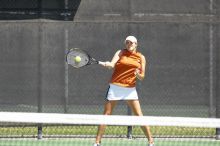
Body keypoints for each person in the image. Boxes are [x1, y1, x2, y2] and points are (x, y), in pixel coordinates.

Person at [93, 36, 154, 146]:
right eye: (127, 43)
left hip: (130, 90)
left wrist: (137, 74)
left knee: (139, 116)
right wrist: (106, 63)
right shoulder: (120, 52)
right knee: (106, 115)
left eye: (131, 43)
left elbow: (142, 76)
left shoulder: (141, 57)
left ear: (136, 44)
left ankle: (151, 142)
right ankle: (97, 142)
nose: (129, 44)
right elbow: (111, 65)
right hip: (115, 87)